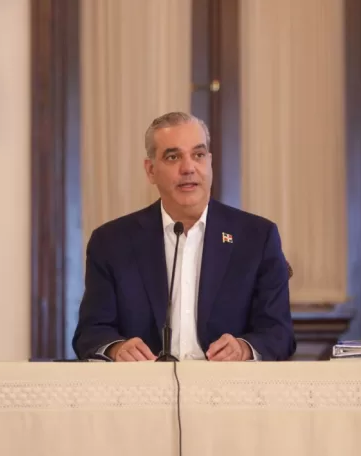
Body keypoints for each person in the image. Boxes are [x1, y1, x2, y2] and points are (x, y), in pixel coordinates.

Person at [73, 112, 296, 361]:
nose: (188, 168)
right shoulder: (111, 242)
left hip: (226, 382)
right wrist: (116, 348)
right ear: (151, 170)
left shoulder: (256, 238)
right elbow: (91, 332)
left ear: (209, 163)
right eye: (173, 157)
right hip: (145, 382)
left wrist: (244, 348)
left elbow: (279, 333)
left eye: (198, 155)